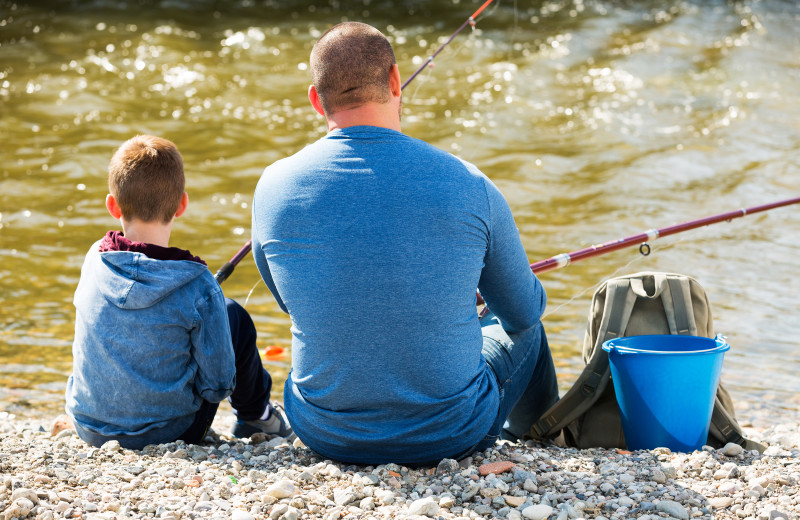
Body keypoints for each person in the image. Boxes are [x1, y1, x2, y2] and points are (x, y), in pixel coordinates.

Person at [251, 22, 558, 465]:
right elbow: (524, 312)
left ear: (316, 99)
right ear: (396, 80)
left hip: (324, 430)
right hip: (450, 434)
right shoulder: (469, 182)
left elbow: (292, 299)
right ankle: (539, 437)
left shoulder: (273, 186)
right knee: (528, 328)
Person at [65, 135, 291, 450]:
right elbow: (219, 385)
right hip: (167, 433)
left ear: (112, 205)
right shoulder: (198, 284)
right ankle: (257, 415)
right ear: (182, 204)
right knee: (233, 316)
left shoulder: (94, 259)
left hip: (88, 426)